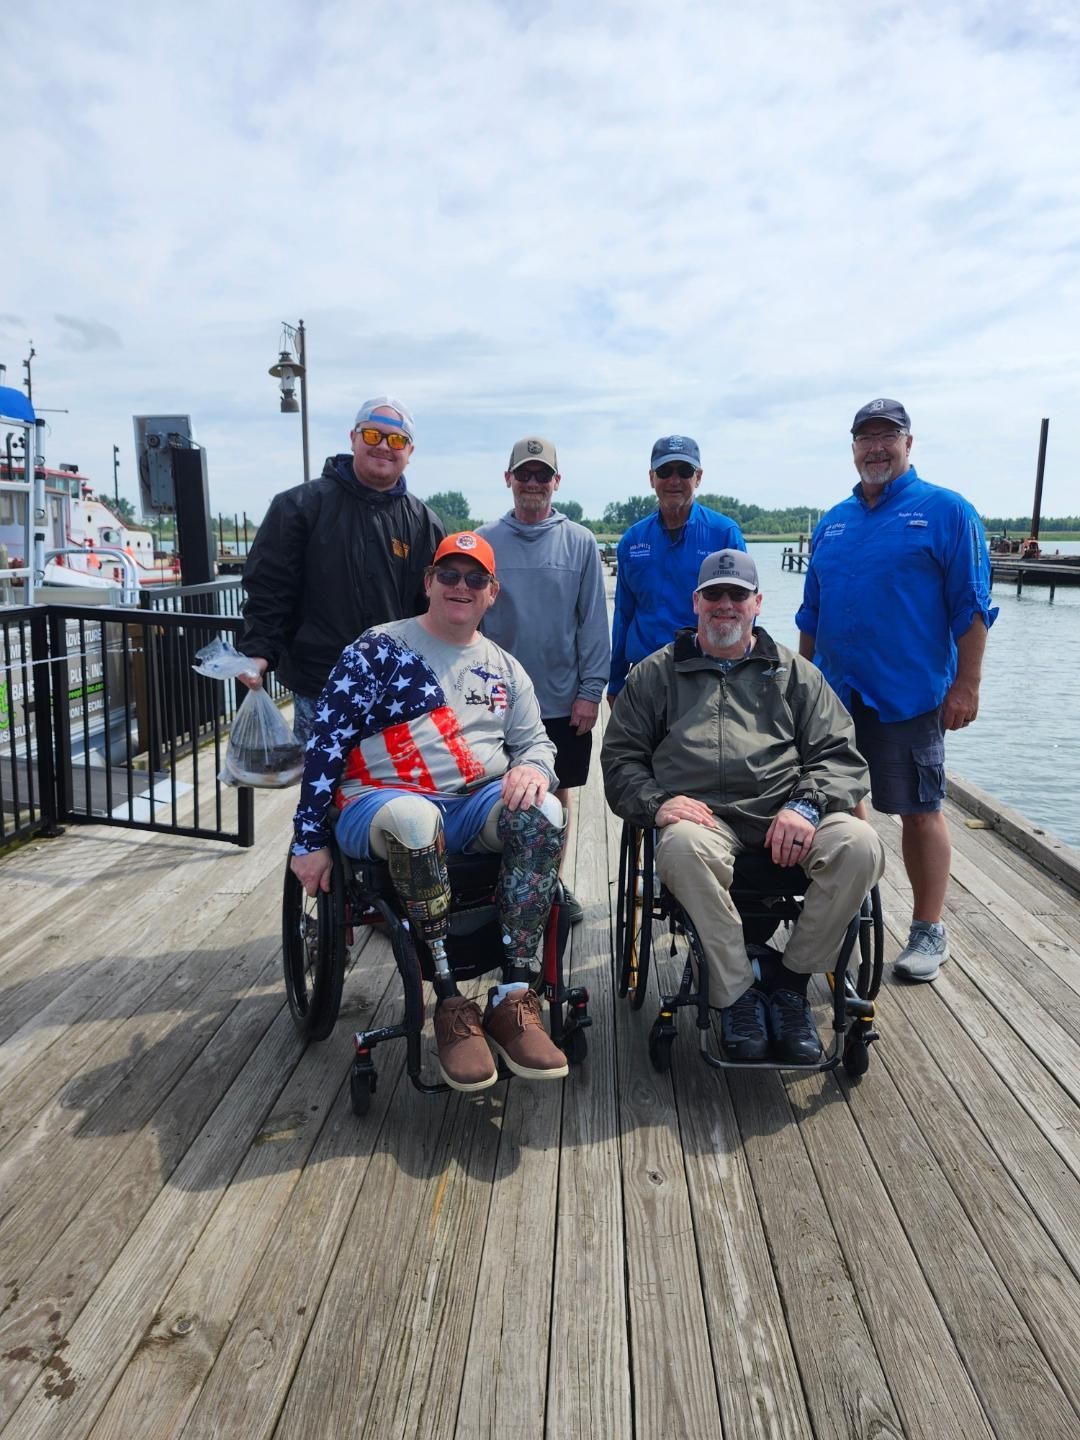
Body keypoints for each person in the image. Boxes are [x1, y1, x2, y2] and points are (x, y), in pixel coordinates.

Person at [290, 531, 570, 1092]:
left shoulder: (505, 668)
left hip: (472, 803)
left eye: (474, 579)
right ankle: (447, 1003)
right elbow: (325, 743)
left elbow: (537, 742)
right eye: (449, 574)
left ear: (493, 592)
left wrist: (533, 771)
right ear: (428, 583)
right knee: (416, 822)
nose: (460, 587)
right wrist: (307, 839)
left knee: (544, 815)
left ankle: (513, 995)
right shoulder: (376, 648)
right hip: (381, 799)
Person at [603, 550, 885, 1064]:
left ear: (757, 602)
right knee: (682, 849)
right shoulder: (654, 675)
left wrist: (807, 804)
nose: (725, 604)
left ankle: (791, 984)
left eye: (738, 594)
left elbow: (841, 754)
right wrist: (659, 803)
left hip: (788, 815)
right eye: (714, 594)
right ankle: (735, 993)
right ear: (696, 603)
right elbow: (621, 760)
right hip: (703, 820)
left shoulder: (796, 674)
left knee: (861, 844)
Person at [796, 399, 997, 982]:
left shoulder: (947, 511)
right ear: (853, 447)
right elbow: (811, 614)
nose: (876, 448)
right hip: (834, 696)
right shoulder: (832, 521)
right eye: (866, 438)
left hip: (908, 693)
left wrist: (968, 685)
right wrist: (799, 686)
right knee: (844, 807)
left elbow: (973, 608)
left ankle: (929, 928)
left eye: (888, 437)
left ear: (909, 444)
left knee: (919, 809)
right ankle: (854, 911)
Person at [237, 397, 444, 742]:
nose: (383, 446)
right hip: (319, 686)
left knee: (392, 794)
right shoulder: (297, 507)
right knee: (321, 791)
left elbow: (434, 606)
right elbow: (270, 587)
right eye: (372, 435)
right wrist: (259, 651)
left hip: (393, 692)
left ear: (409, 451)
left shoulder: (425, 523)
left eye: (395, 440)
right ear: (353, 437)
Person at [478, 437, 610, 925]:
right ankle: (496, 885)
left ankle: (548, 883)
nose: (532, 484)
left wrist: (591, 691)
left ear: (557, 481)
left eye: (542, 475)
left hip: (560, 697)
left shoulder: (580, 541)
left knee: (556, 793)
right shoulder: (485, 540)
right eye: (524, 474)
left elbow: (594, 622)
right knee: (492, 792)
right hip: (493, 701)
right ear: (508, 478)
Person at [608, 434, 745, 703]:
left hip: (706, 679)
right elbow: (623, 615)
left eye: (684, 470)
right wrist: (614, 681)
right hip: (644, 676)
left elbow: (745, 613)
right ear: (651, 478)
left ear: (699, 477)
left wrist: (741, 680)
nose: (674, 480)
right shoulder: (633, 540)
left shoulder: (724, 534)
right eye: (664, 471)